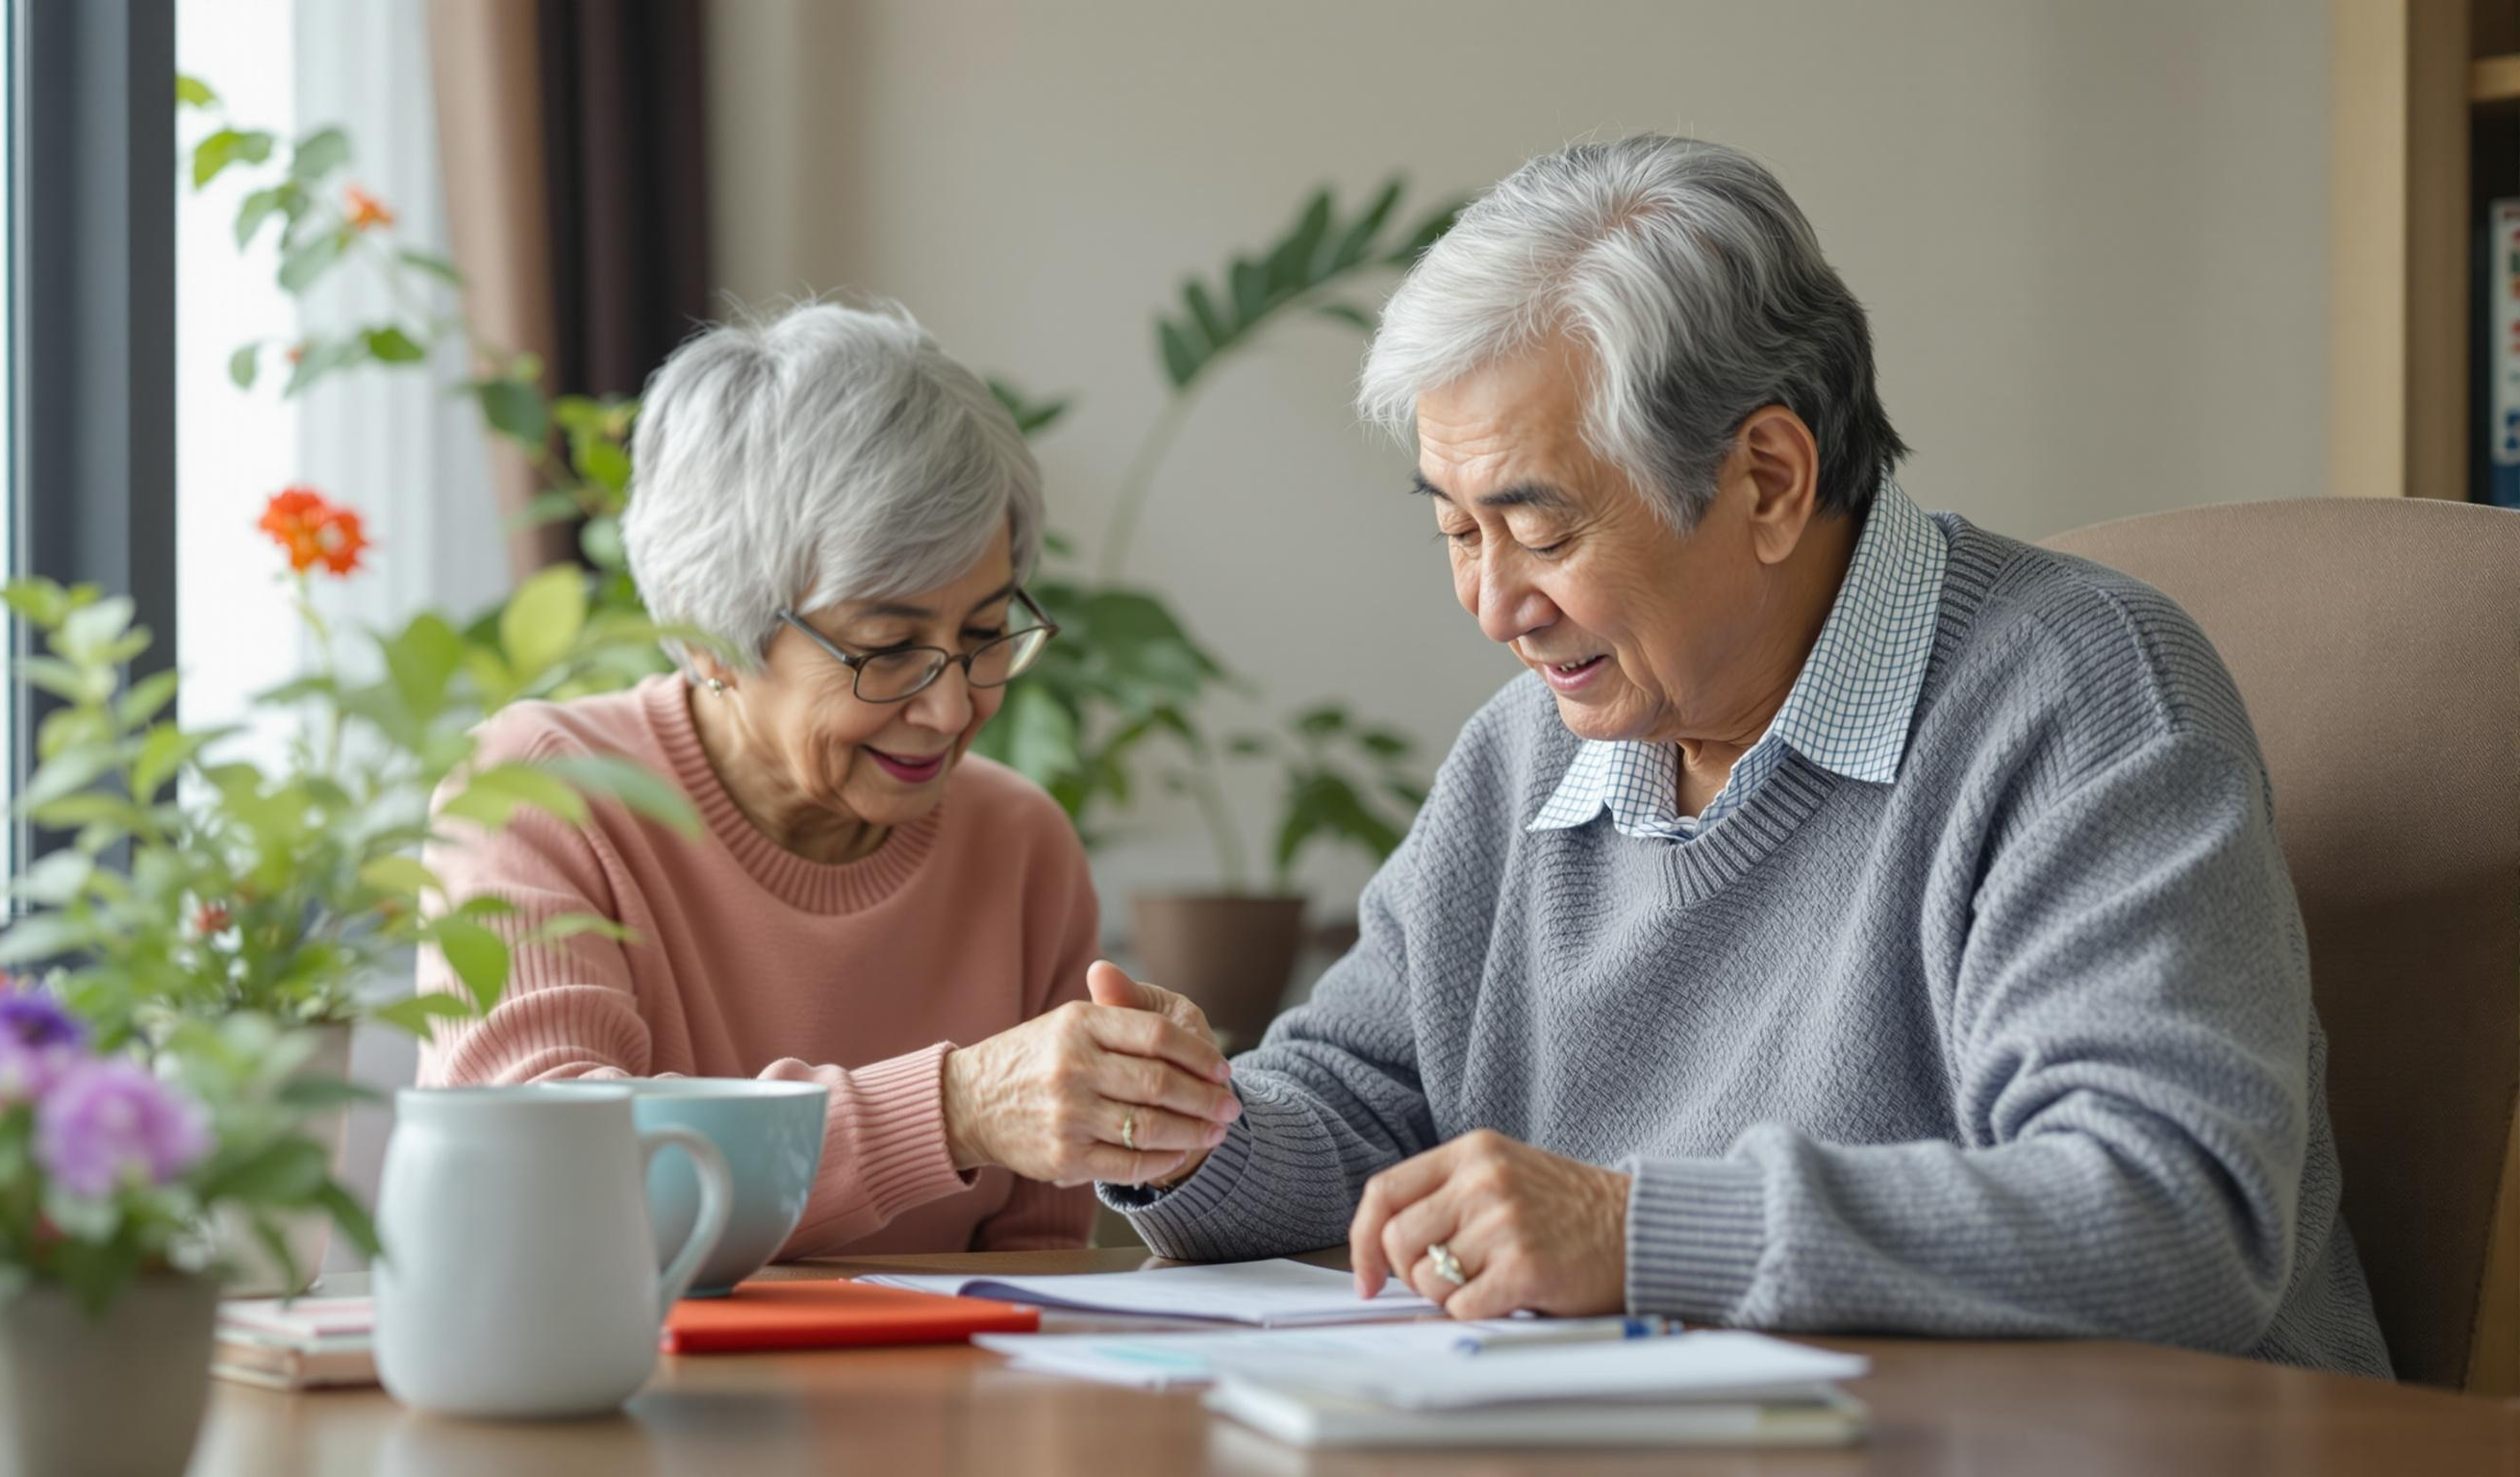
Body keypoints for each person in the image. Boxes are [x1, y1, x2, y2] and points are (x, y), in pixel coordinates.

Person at [1096, 136, 2390, 1376]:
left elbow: (2171, 1215)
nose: (1494, 607)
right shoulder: (1530, 752)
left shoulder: (2083, 697)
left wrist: (1634, 1233)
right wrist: (1187, 1129)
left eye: (1539, 533)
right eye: (1456, 531)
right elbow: (1360, 1104)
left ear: (1767, 479)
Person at [416, 303, 1240, 1258]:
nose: (952, 708)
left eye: (983, 635)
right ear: (706, 637)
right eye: (886, 650)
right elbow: (544, 1187)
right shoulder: (537, 795)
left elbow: (1037, 1278)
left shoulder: (1018, 844)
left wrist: (1171, 1119)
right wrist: (952, 1111)